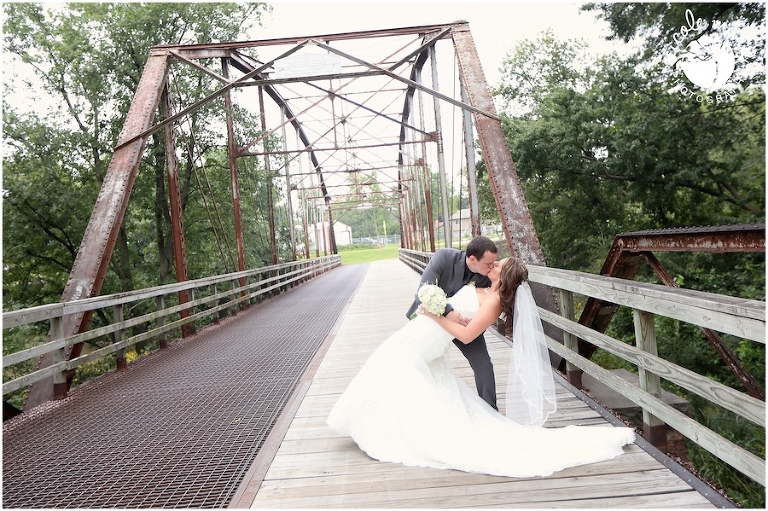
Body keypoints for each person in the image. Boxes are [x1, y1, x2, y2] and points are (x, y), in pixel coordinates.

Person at [327, 257, 636, 478]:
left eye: (498, 265)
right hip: (422, 334)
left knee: (392, 368)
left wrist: (433, 313)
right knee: (395, 371)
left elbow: (466, 334)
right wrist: (438, 305)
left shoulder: (493, 302)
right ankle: (380, 423)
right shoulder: (483, 288)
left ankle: (385, 428)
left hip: (429, 334)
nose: (493, 265)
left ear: (504, 277)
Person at [405, 236, 499, 409]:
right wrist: (448, 312)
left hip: (465, 326)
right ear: (472, 259)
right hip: (432, 320)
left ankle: (491, 409)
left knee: (483, 363)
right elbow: (423, 292)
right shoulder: (444, 257)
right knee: (414, 361)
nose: (492, 267)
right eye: (488, 263)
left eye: (495, 263)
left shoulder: (490, 275)